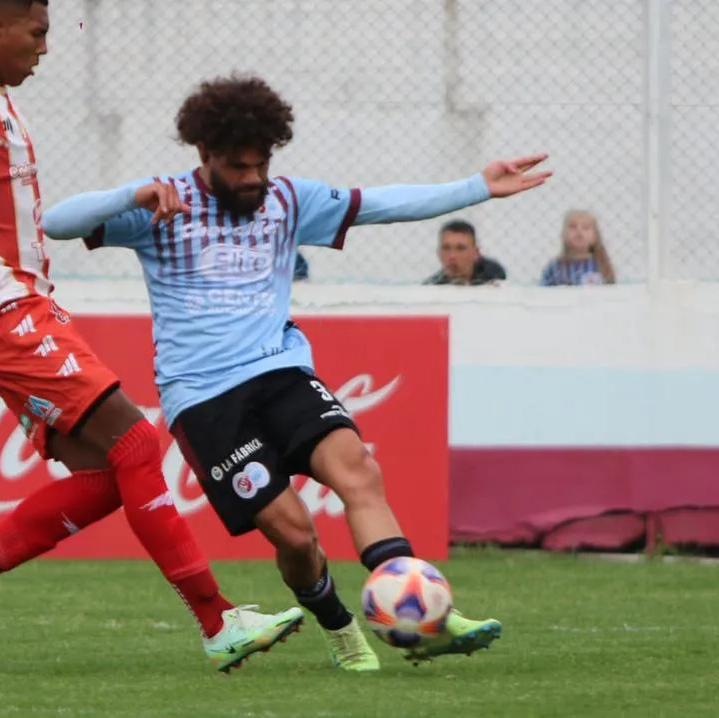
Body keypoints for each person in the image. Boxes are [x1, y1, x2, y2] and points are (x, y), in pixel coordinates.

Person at [42, 76, 552, 671]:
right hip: (204, 399)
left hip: (281, 372)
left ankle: (422, 615)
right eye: (239, 167)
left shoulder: (287, 200)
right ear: (204, 156)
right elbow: (56, 222)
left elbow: (381, 204)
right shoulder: (161, 207)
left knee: (358, 471)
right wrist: (132, 194)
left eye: (262, 163)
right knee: (294, 534)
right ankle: (339, 627)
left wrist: (477, 188)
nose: (254, 178)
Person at [0, 0, 302, 676]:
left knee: (116, 476)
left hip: (23, 306)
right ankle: (217, 621)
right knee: (139, 443)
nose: (45, 47)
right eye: (37, 31)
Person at [540, 209, 616, 286]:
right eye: (572, 227)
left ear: (595, 236)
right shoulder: (555, 267)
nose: (579, 231)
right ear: (563, 235)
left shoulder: (602, 265)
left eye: (586, 227)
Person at [424, 219, 507, 285]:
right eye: (446, 248)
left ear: (476, 253)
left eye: (460, 248)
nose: (452, 256)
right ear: (439, 253)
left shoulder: (494, 281)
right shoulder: (432, 287)